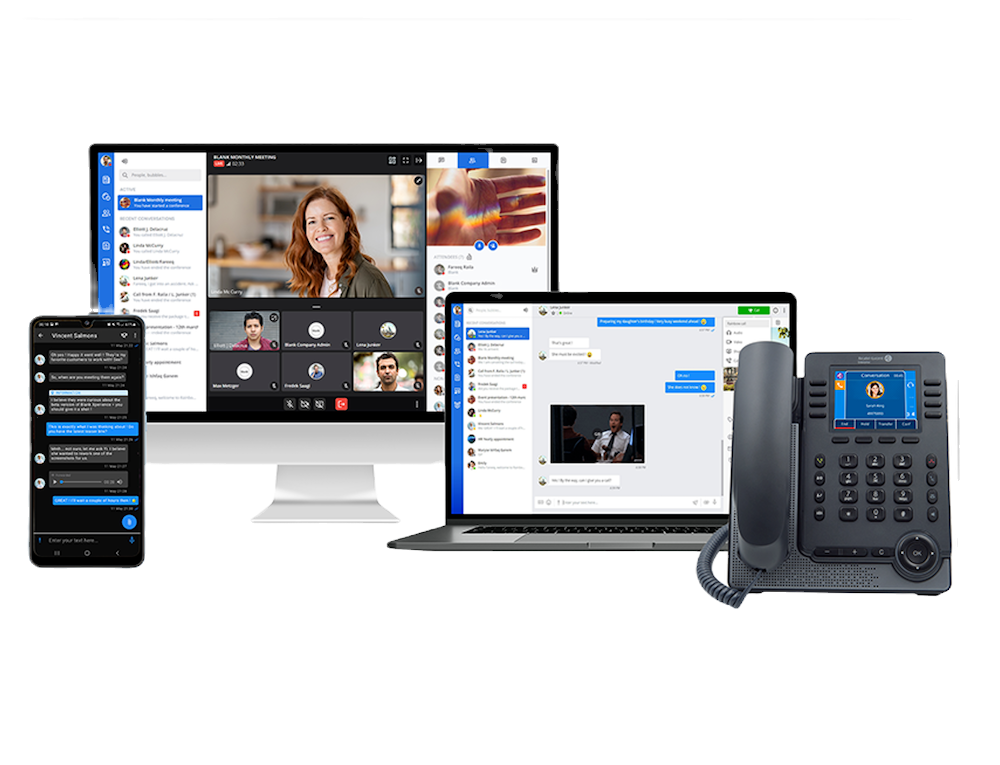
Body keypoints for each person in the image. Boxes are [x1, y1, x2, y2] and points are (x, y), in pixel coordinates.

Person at [284, 186, 394, 298]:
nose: (321, 227)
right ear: (305, 232)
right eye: (312, 222)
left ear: (346, 224)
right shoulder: (317, 277)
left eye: (329, 218)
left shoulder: (369, 281)